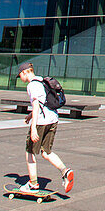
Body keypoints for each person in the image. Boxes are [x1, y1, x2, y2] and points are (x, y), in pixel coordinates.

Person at [17, 63, 74, 194]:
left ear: (25, 72)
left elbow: (37, 105)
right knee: (46, 152)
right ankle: (65, 171)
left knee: (30, 151)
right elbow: (45, 102)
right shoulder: (42, 80)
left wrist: (33, 128)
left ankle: (33, 184)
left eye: (20, 75)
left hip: (41, 122)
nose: (20, 78)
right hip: (53, 119)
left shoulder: (32, 85)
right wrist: (30, 115)